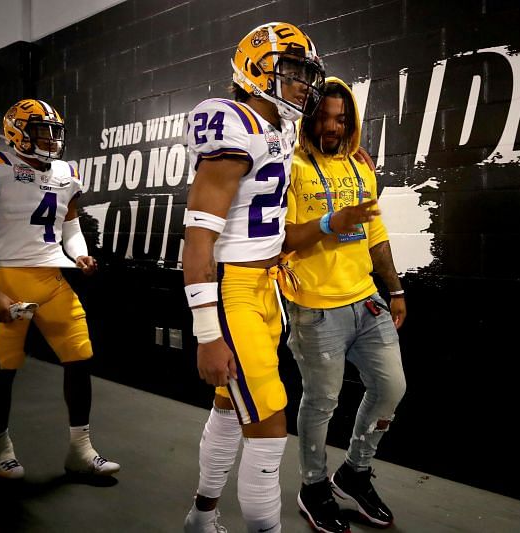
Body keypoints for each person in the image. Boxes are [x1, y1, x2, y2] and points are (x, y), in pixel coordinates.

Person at [182, 22, 325, 533]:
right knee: (269, 424)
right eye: (292, 71)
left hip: (265, 290)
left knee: (227, 408)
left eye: (307, 73)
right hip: (232, 292)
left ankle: (200, 518)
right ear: (256, 70)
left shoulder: (277, 129)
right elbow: (197, 239)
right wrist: (206, 334)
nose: (304, 83)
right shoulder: (231, 122)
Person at [0, 99, 119, 480]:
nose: (49, 139)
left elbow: (70, 226)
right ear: (16, 132)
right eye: (40, 131)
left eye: (54, 131)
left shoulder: (65, 171)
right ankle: (0, 449)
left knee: (79, 358)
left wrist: (79, 254)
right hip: (6, 278)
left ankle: (81, 449)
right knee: (4, 369)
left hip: (52, 278)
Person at [283, 78, 408, 532]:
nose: (332, 126)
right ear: (308, 116)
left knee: (391, 387)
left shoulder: (360, 168)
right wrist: (328, 222)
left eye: (341, 118)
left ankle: (354, 472)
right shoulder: (291, 166)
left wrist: (394, 289)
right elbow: (282, 239)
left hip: (366, 300)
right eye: (323, 116)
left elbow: (375, 234)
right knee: (321, 402)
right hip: (315, 308)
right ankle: (313, 486)